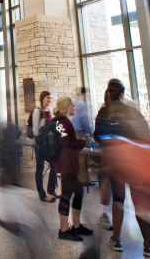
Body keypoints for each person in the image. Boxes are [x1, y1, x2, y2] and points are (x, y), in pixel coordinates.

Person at [94, 79, 150, 255]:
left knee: (118, 200)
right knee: (139, 202)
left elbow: (98, 136)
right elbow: (146, 137)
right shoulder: (133, 112)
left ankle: (116, 240)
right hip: (135, 164)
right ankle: (148, 244)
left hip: (115, 164)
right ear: (122, 94)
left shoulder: (104, 112)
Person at [53, 96, 93, 242]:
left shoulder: (59, 122)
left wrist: (76, 141)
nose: (75, 108)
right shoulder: (64, 122)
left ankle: (76, 225)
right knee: (66, 196)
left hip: (66, 164)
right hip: (67, 164)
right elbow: (69, 146)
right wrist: (82, 142)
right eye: (73, 105)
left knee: (79, 192)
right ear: (67, 106)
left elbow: (67, 141)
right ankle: (63, 230)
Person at [28, 91, 57, 202]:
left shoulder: (49, 111)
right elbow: (35, 129)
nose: (49, 100)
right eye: (48, 98)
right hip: (39, 144)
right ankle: (42, 194)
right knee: (40, 168)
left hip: (49, 144)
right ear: (42, 98)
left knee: (54, 165)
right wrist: (39, 143)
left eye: (50, 98)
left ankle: (51, 189)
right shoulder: (37, 111)